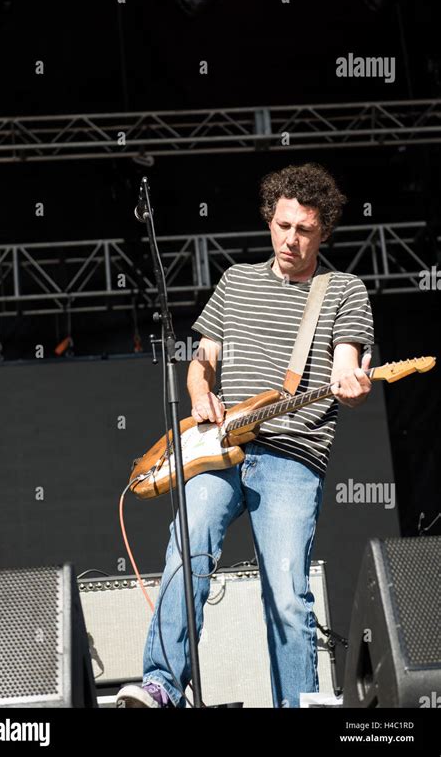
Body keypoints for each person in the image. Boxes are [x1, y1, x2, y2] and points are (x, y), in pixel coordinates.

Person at [116, 163, 374, 709]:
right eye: (283, 226)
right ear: (269, 221)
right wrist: (199, 393)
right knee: (188, 550)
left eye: (304, 230)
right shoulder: (235, 281)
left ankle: (299, 703)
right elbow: (201, 360)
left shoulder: (344, 291)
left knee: (286, 591)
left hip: (291, 458)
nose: (290, 239)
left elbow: (347, 362)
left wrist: (350, 382)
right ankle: (163, 683)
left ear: (323, 231)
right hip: (219, 449)